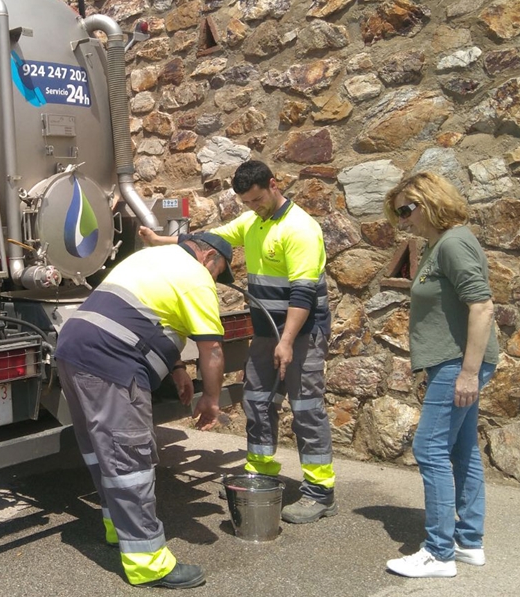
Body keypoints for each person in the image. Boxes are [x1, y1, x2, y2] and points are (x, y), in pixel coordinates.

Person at [140, 160, 336, 524]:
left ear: (274, 185)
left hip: (302, 332)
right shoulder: (251, 221)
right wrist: (160, 241)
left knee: (306, 408)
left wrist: (288, 341)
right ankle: (261, 474)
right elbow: (207, 243)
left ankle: (319, 491)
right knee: (258, 402)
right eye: (247, 202)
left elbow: (303, 295)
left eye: (258, 199)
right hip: (265, 333)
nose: (253, 207)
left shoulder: (300, 229)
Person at [54, 232, 232, 589]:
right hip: (111, 359)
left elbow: (148, 314)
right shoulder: (197, 278)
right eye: (218, 272)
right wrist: (211, 399)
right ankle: (147, 562)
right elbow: (211, 349)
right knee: (129, 458)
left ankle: (117, 528)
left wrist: (177, 368)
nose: (215, 280)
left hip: (73, 348)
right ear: (208, 257)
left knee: (101, 450)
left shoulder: (152, 259)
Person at [382, 172, 498, 578]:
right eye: (397, 214)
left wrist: (468, 373)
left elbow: (482, 307)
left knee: (429, 450)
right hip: (450, 362)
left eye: (406, 210)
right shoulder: (437, 245)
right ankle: (468, 542)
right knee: (462, 450)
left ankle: (438, 552)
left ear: (429, 201)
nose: (402, 221)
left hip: (457, 364)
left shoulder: (452, 242)